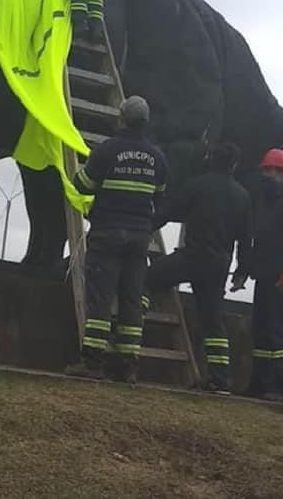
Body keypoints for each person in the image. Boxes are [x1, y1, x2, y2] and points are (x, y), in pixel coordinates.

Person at [65, 96, 167, 384]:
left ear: (121, 118)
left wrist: (77, 174)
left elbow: (83, 184)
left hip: (107, 232)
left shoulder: (108, 150)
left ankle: (93, 362)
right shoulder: (158, 157)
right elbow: (160, 197)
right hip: (139, 238)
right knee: (131, 299)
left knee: (101, 298)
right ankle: (128, 366)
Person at [146, 141, 252, 393]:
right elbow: (245, 239)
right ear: (234, 165)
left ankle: (129, 333)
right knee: (213, 321)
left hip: (191, 257)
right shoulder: (243, 196)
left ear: (209, 159)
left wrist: (141, 228)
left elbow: (169, 211)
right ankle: (220, 380)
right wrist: (241, 272)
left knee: (146, 280)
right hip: (218, 265)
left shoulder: (196, 186)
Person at [231, 148, 283, 402]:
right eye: (266, 170)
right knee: (262, 331)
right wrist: (243, 272)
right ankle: (259, 384)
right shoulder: (263, 202)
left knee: (280, 333)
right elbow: (256, 240)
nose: (269, 175)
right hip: (264, 276)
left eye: (274, 170)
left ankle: (279, 387)